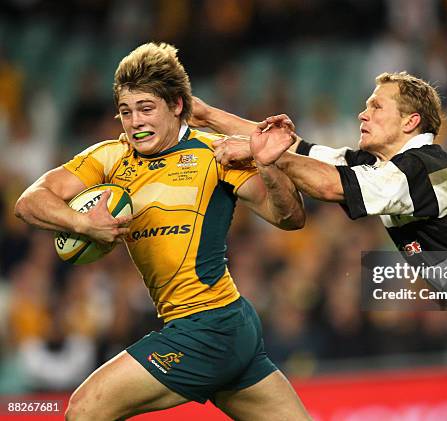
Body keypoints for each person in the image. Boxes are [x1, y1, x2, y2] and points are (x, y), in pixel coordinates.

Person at [189, 71, 447, 420]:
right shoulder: (385, 167)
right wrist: (206, 115)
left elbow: (323, 182)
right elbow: (297, 148)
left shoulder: (423, 166)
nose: (362, 112)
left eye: (376, 106)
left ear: (410, 122)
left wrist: (260, 153)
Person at [14, 42, 311, 420]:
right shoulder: (110, 156)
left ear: (177, 106)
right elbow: (29, 201)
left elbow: (290, 217)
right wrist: (82, 222)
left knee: (84, 409)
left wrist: (268, 167)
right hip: (222, 328)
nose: (135, 121)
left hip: (209, 323)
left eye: (146, 108)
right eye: (126, 111)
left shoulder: (215, 154)